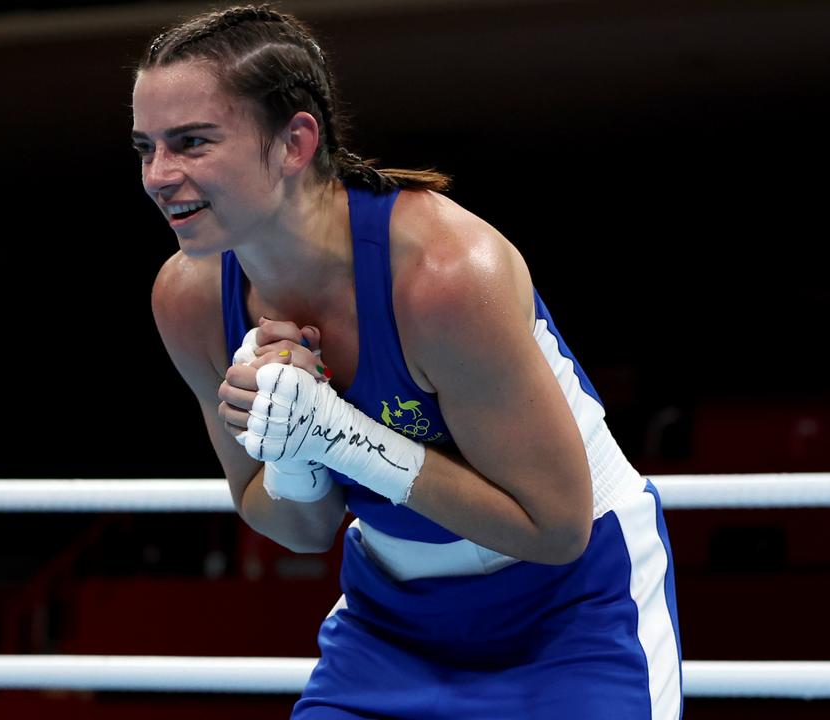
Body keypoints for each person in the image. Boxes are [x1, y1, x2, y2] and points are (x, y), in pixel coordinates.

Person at [134, 6, 681, 718]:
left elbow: (554, 528)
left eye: (192, 142)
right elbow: (297, 527)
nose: (157, 174)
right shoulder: (190, 300)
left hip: (572, 604)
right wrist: (297, 456)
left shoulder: (445, 274)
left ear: (294, 141)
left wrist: (340, 436)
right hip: (392, 615)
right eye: (145, 146)